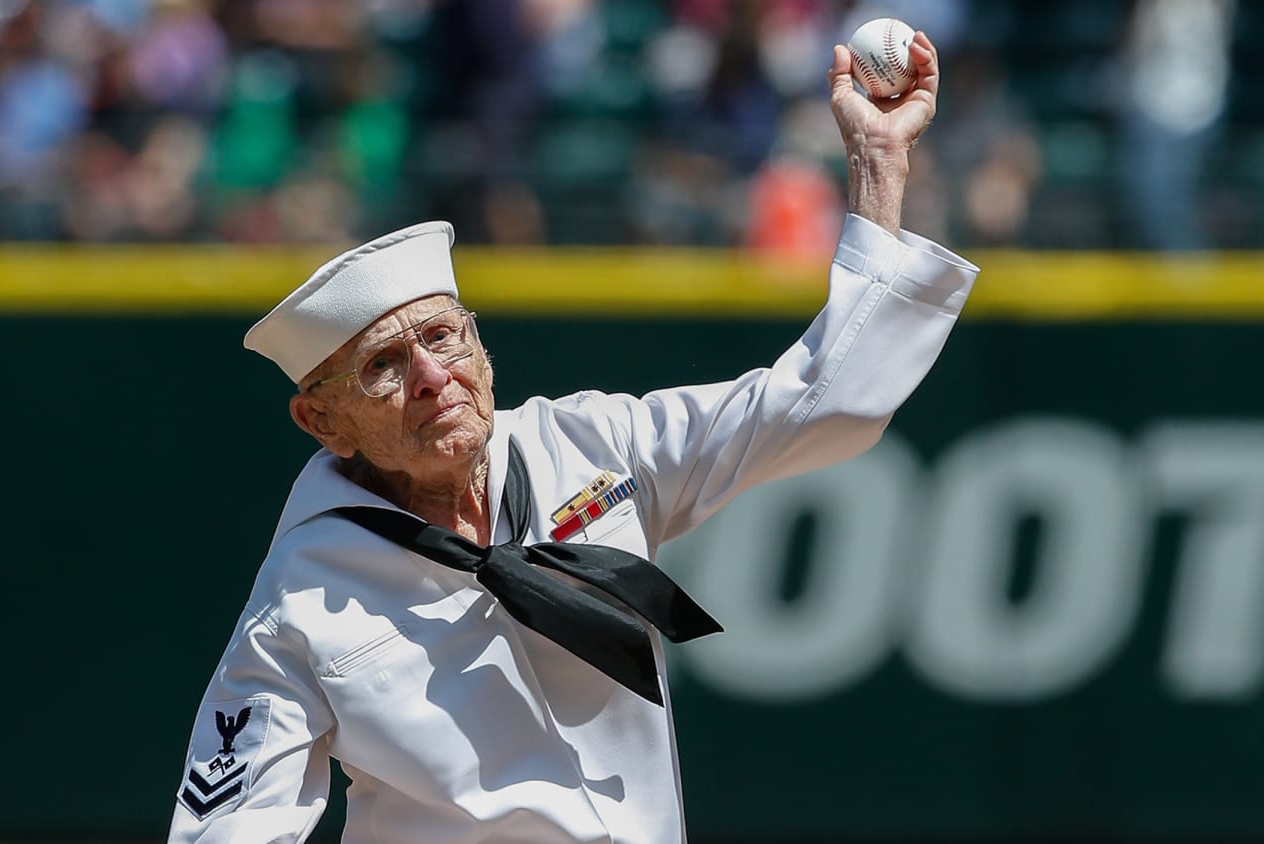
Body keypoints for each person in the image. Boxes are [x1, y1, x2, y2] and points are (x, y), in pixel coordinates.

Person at [168, 31, 975, 844]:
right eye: (384, 364)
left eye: (444, 337)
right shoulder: (297, 604)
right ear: (322, 421)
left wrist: (879, 163)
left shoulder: (593, 444)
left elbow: (820, 407)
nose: (431, 376)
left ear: (480, 347)